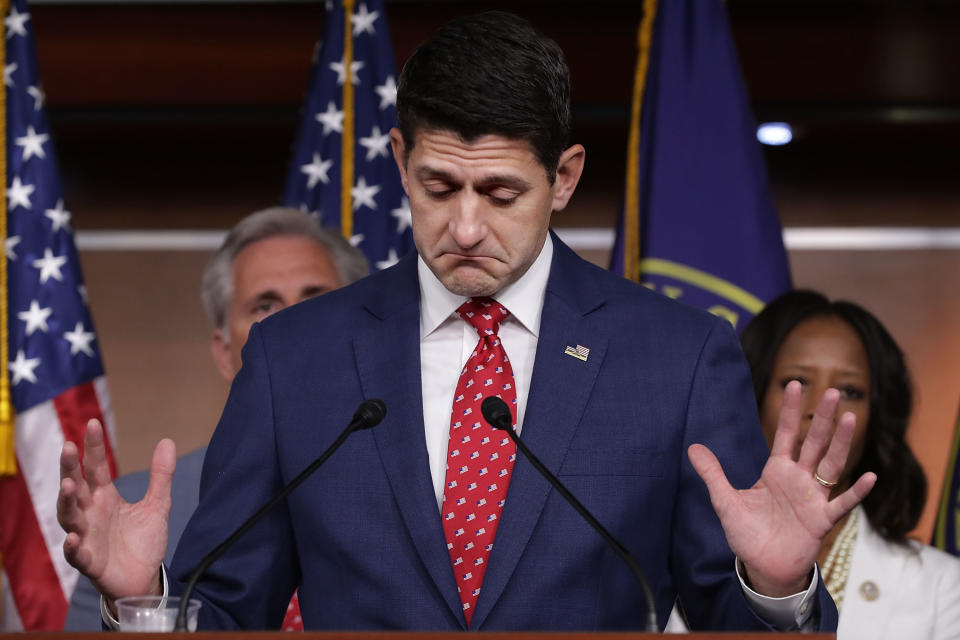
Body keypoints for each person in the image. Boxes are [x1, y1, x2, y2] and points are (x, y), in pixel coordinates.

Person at [57, 12, 874, 632]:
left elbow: (730, 618)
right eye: (439, 188)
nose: (468, 227)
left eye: (502, 194)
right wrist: (142, 598)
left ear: (564, 178)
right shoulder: (294, 360)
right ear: (399, 160)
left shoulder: (677, 358)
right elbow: (229, 610)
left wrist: (774, 588)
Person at [61, 207, 368, 630]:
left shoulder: (429, 481)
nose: (295, 325)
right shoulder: (129, 509)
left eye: (316, 298)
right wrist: (143, 601)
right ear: (224, 352)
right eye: (265, 305)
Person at [739, 290, 960, 639]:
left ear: (877, 418)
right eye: (796, 382)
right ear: (753, 395)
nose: (822, 407)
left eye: (850, 391)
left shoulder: (943, 586)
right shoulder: (673, 565)